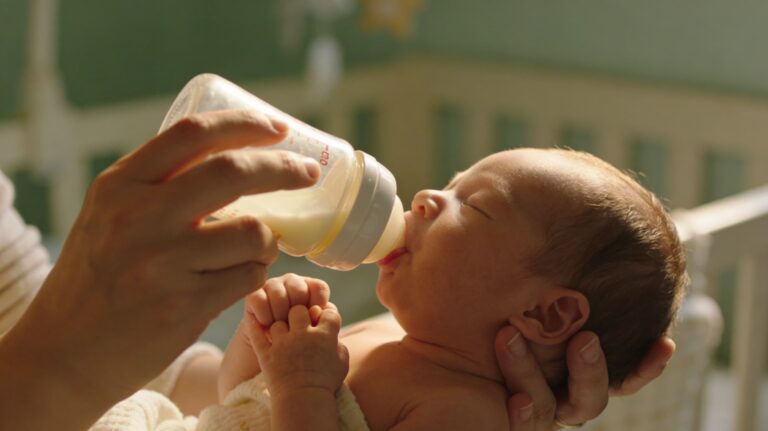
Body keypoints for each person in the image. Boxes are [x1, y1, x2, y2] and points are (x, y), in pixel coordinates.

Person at [0, 111, 674, 430]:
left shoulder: (464, 413)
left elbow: (237, 405)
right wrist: (269, 358)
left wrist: (287, 371)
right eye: (449, 181)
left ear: (548, 313)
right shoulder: (390, 350)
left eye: (474, 205)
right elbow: (239, 403)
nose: (426, 198)